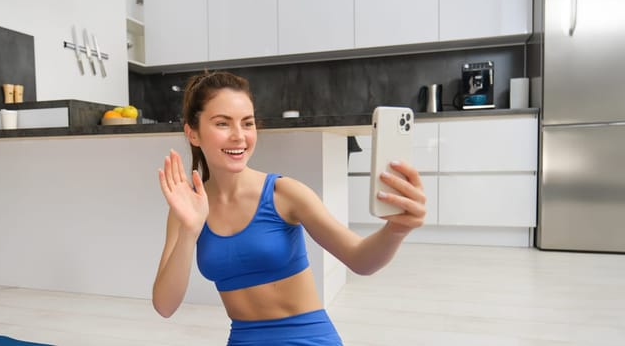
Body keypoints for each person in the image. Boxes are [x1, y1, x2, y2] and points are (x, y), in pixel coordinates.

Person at [152, 71, 426, 345]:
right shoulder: (187, 209)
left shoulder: (284, 193)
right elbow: (165, 306)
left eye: (247, 123)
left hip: (308, 339)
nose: (239, 136)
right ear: (193, 133)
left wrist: (396, 230)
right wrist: (189, 231)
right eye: (222, 124)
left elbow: (360, 260)